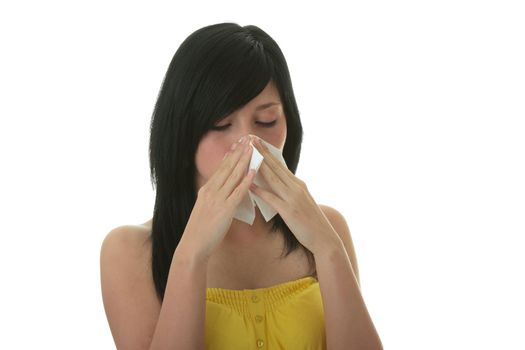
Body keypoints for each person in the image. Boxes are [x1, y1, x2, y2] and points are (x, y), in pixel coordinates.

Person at [100, 22, 383, 350]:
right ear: (181, 131)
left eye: (267, 121)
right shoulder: (129, 251)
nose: (247, 143)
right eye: (221, 124)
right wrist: (191, 254)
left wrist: (329, 249)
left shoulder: (328, 226)